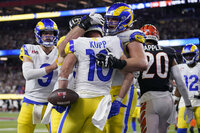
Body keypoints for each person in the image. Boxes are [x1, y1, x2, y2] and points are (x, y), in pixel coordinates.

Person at [57, 24, 134, 133]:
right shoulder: (113, 43)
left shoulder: (78, 43)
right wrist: (118, 100)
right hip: (102, 103)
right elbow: (130, 74)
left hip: (82, 100)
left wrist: (62, 96)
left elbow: (64, 72)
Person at [95, 2, 148, 133]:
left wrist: (116, 63)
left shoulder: (131, 35)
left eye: (114, 19)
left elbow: (142, 63)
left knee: (116, 129)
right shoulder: (105, 36)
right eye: (109, 19)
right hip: (103, 88)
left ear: (125, 20)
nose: (110, 22)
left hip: (123, 88)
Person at [137, 24, 193, 133]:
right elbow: (180, 82)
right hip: (167, 101)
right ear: (156, 36)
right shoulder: (168, 52)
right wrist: (188, 104)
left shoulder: (139, 52)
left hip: (149, 99)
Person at [41, 16, 82, 133]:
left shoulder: (89, 44)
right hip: (63, 94)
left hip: (81, 97)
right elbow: (63, 48)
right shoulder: (64, 42)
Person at [17, 18, 59, 133]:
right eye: (45, 33)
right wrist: (52, 67)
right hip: (30, 102)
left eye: (51, 33)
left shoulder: (60, 51)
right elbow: (28, 74)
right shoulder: (29, 49)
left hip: (52, 104)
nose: (48, 36)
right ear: (39, 34)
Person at [175, 43, 200, 133]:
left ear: (196, 55)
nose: (188, 57)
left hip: (199, 102)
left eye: (191, 55)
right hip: (184, 103)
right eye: (186, 55)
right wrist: (175, 102)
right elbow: (179, 87)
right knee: (181, 130)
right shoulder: (179, 68)